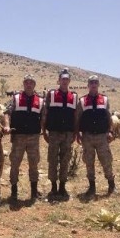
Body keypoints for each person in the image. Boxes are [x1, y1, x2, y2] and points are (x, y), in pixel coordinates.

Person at [3, 74, 44, 201]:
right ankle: (14, 191)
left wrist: (44, 130)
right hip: (18, 136)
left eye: (31, 82)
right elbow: (6, 113)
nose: (29, 84)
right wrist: (7, 126)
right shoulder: (16, 98)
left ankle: (33, 191)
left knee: (34, 164)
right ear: (23, 83)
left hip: (33, 137)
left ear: (34, 84)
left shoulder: (41, 100)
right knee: (15, 163)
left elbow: (44, 117)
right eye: (26, 82)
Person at [76, 75, 116, 198]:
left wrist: (110, 131)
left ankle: (111, 185)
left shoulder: (104, 99)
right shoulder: (82, 101)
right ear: (88, 85)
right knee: (89, 162)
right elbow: (78, 118)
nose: (93, 85)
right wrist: (78, 133)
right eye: (91, 83)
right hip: (87, 137)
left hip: (102, 136)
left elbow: (109, 117)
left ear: (98, 85)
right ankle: (92, 187)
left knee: (106, 161)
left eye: (95, 82)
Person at [41, 68, 78, 200]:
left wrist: (75, 132)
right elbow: (45, 113)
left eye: (67, 79)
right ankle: (53, 186)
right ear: (59, 80)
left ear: (69, 81)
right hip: (54, 133)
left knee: (65, 160)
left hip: (68, 133)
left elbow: (75, 116)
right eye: (62, 79)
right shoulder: (51, 94)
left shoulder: (73, 96)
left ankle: (62, 186)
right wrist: (43, 130)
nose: (64, 81)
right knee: (52, 159)